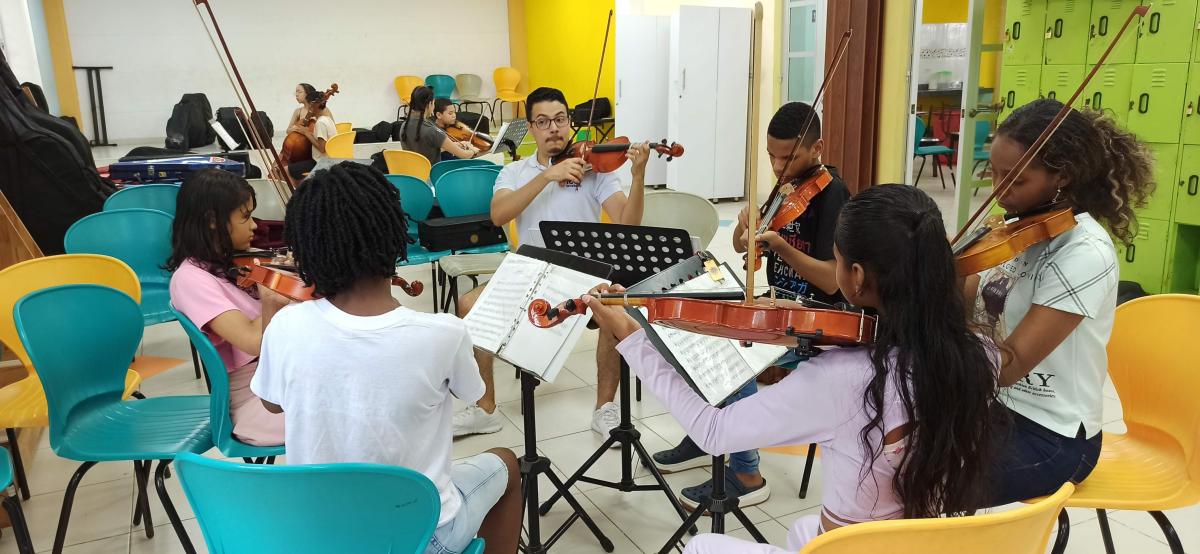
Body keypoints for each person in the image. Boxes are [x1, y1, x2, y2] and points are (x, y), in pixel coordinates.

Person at [587, 184, 1003, 552]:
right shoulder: (980, 354)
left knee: (701, 546)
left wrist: (634, 341)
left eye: (837, 261)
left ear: (857, 277)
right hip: (923, 541)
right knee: (804, 529)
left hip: (856, 548)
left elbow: (714, 432)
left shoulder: (844, 378)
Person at [250, 162, 522, 554]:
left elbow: (272, 404)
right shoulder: (444, 333)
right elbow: (476, 395)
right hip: (417, 538)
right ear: (394, 234)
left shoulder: (285, 325)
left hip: (321, 538)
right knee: (507, 462)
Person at [652, 102, 852, 509]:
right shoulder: (787, 187)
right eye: (771, 156)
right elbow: (747, 249)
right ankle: (708, 434)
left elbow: (832, 279)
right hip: (779, 310)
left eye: (788, 157)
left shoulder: (835, 195)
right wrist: (745, 230)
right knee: (702, 328)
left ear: (817, 149)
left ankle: (747, 473)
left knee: (734, 352)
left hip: (819, 322)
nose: (777, 167)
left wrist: (780, 246)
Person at [966, 99, 1154, 506]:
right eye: (993, 172)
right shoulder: (1011, 232)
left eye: (1015, 180)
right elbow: (963, 309)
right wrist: (937, 272)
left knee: (918, 480)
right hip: (995, 409)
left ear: (1063, 176)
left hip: (1054, 435)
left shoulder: (1083, 252)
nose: (998, 190)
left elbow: (1007, 367)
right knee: (884, 448)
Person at [453, 86, 650, 439]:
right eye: (543, 122)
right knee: (468, 304)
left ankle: (604, 408)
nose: (554, 128)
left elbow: (627, 223)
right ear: (531, 128)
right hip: (529, 274)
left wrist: (638, 178)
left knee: (614, 308)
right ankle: (485, 408)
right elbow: (499, 215)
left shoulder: (595, 171)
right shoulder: (515, 172)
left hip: (584, 277)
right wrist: (546, 176)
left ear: (570, 121)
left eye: (560, 119)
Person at [167, 169, 287, 446]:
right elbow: (254, 342)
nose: (255, 226)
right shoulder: (190, 279)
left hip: (287, 378)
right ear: (212, 220)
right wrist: (272, 300)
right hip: (256, 400)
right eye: (245, 217)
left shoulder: (231, 263)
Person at [401, 86, 480, 165]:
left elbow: (426, 148)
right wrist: (473, 150)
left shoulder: (404, 126)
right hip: (433, 172)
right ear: (430, 104)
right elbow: (464, 155)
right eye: (433, 103)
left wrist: (457, 144)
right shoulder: (432, 131)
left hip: (413, 172)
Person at [285, 87, 337, 181]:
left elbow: (321, 148)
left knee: (285, 170)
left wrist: (306, 133)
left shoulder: (321, 123)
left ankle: (301, 190)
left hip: (320, 163)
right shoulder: (327, 119)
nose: (308, 109)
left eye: (308, 105)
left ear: (313, 105)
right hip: (328, 160)